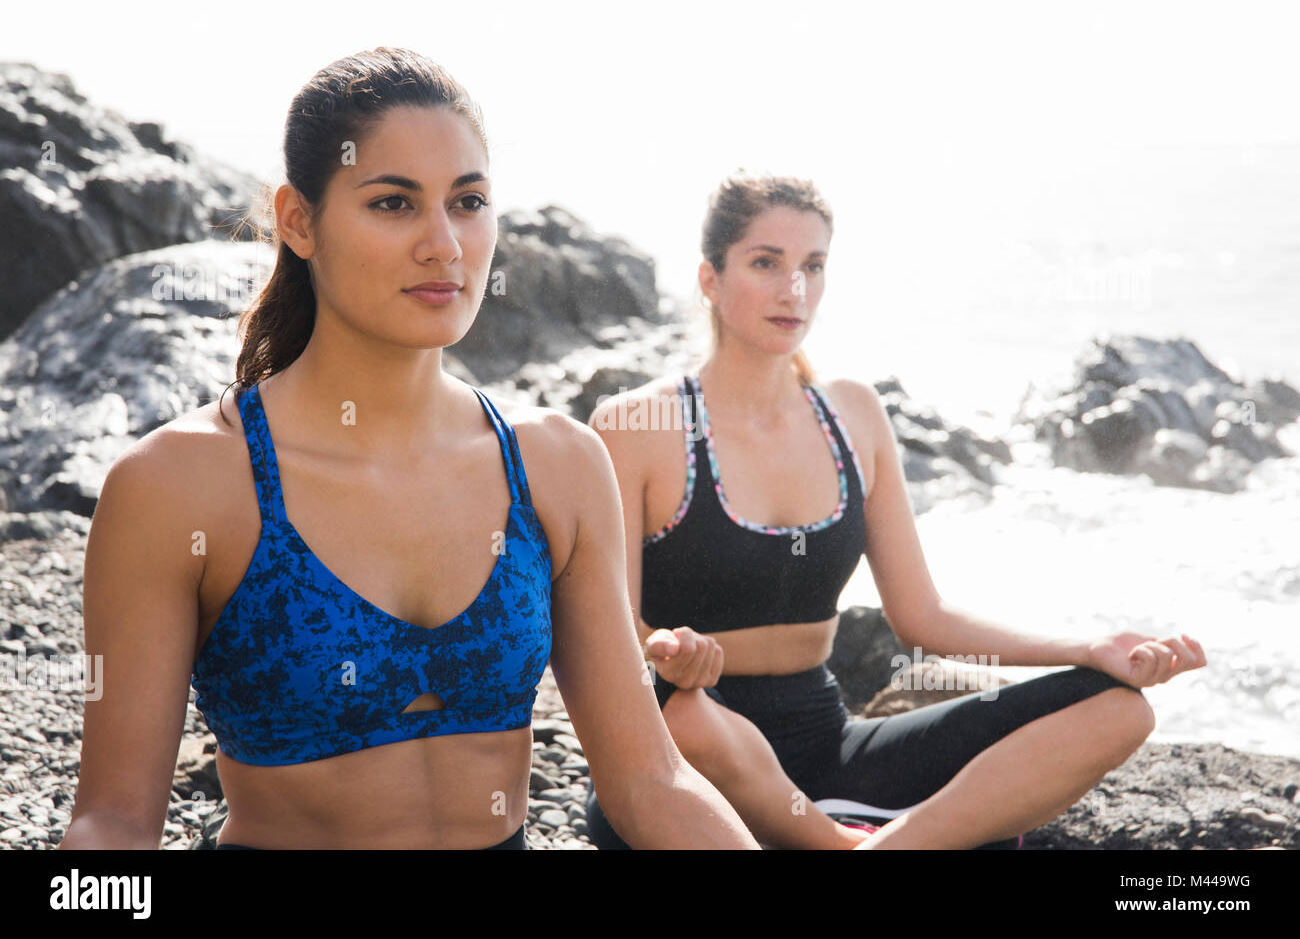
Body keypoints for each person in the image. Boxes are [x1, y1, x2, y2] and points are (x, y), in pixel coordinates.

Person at [59, 47, 758, 850]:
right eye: (393, 204)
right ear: (297, 220)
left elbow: (648, 780)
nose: (444, 244)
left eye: (468, 202)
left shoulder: (557, 463)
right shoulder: (178, 485)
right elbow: (112, 819)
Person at [584, 171, 1208, 849]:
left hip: (828, 747)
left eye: (812, 266)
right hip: (688, 756)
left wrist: (1089, 648)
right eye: (766, 263)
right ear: (710, 278)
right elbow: (612, 636)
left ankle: (885, 844)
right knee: (688, 720)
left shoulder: (852, 414)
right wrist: (670, 653)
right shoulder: (638, 424)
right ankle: (846, 843)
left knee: (1118, 709)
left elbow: (924, 617)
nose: (794, 289)